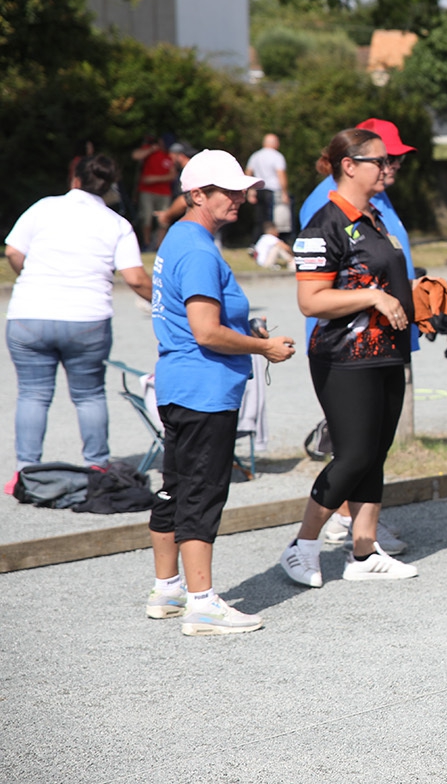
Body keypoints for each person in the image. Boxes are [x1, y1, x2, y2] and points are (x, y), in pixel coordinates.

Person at [147, 150, 297, 634]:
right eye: (228, 191)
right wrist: (263, 346)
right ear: (197, 195)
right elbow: (207, 332)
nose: (241, 197)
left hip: (180, 383)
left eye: (241, 188)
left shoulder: (181, 238)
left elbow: (201, 320)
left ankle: (168, 588)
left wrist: (243, 326)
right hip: (204, 389)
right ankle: (202, 603)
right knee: (202, 493)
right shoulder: (196, 249)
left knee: (174, 486)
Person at [279, 129, 420, 588]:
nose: (388, 168)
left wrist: (418, 303)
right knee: (354, 454)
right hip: (344, 357)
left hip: (385, 353)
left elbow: (384, 277)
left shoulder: (375, 215)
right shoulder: (324, 223)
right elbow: (311, 301)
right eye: (379, 161)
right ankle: (301, 546)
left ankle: (364, 550)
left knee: (375, 452)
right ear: (349, 165)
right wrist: (375, 297)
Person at [5, 156, 155, 490]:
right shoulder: (117, 224)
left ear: (75, 179)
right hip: (86, 319)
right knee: (89, 396)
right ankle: (97, 467)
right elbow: (135, 278)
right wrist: (166, 303)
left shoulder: (43, 207)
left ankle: (25, 472)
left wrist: (30, 275)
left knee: (32, 394)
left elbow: (14, 251)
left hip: (30, 313)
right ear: (110, 187)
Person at [131, 137, 175, 248]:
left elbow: (172, 175)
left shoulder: (170, 155)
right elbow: (135, 155)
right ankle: (147, 243)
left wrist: (153, 179)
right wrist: (151, 150)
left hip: (164, 192)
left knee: (164, 219)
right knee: (146, 218)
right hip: (147, 191)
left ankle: (159, 245)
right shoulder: (151, 150)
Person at [244, 133, 290, 235]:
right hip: (273, 190)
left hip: (259, 190)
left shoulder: (255, 156)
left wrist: (251, 190)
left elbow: (248, 173)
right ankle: (273, 239)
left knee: (259, 219)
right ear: (275, 143)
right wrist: (284, 192)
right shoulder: (277, 156)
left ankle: (257, 241)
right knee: (274, 219)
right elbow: (281, 175)